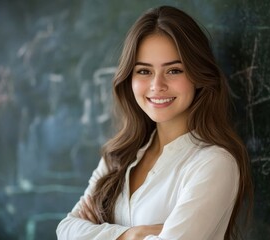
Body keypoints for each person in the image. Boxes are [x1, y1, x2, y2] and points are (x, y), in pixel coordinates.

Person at [56, 5, 253, 240]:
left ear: (198, 76)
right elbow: (66, 229)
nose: (157, 86)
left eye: (174, 70)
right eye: (144, 71)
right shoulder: (120, 155)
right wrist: (133, 235)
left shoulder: (214, 163)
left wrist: (95, 232)